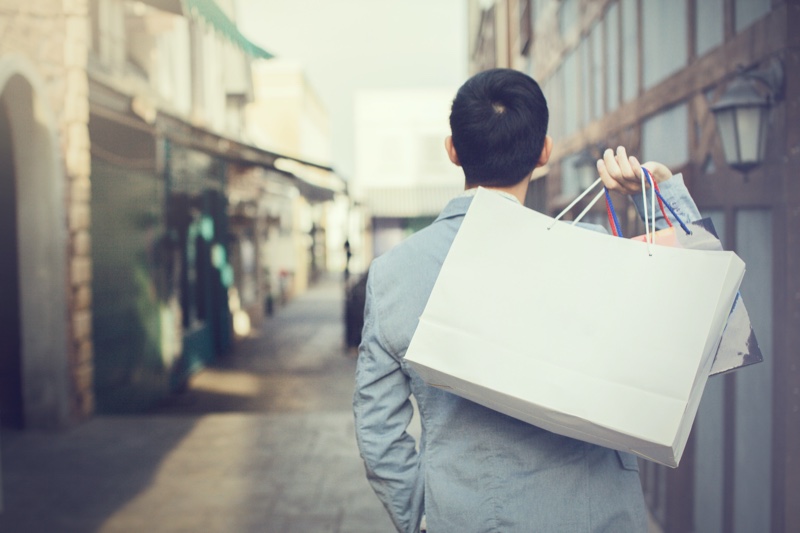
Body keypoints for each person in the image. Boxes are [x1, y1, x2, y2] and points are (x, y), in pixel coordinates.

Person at [353, 68, 701, 533]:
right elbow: (697, 318)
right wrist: (659, 197)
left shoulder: (393, 274)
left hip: (466, 515)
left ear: (453, 150)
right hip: (593, 517)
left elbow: (378, 430)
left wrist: (423, 511)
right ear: (544, 153)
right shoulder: (590, 250)